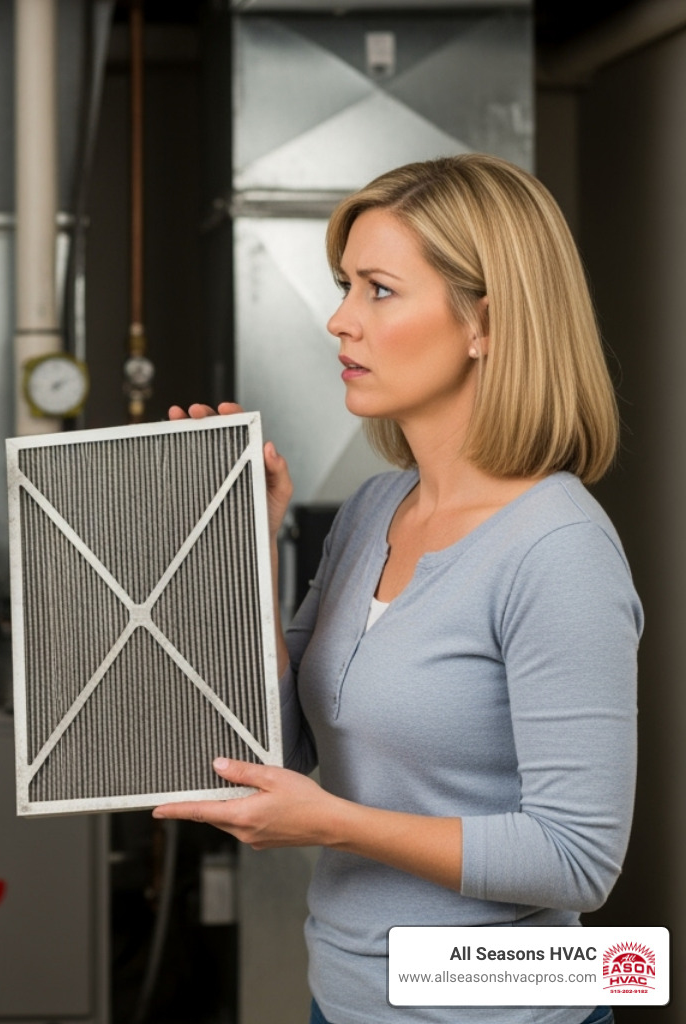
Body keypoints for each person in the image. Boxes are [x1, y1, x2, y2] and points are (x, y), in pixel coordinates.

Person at [157, 154, 641, 1024]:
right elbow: (284, 747)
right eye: (344, 286)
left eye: (378, 290)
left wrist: (333, 824)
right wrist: (243, 555)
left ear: (483, 322)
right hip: (342, 998)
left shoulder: (559, 550)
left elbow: (577, 859)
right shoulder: (377, 508)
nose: (340, 320)